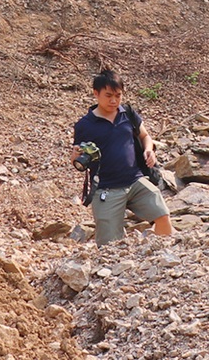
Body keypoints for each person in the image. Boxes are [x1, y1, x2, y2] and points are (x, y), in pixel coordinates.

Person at [70, 68, 172, 244]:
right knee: (109, 245)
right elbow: (77, 160)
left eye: (118, 95)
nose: (114, 100)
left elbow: (145, 136)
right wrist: (75, 157)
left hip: (135, 181)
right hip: (105, 189)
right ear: (96, 93)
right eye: (108, 95)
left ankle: (164, 258)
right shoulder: (85, 126)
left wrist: (149, 150)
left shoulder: (128, 114)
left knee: (162, 215)